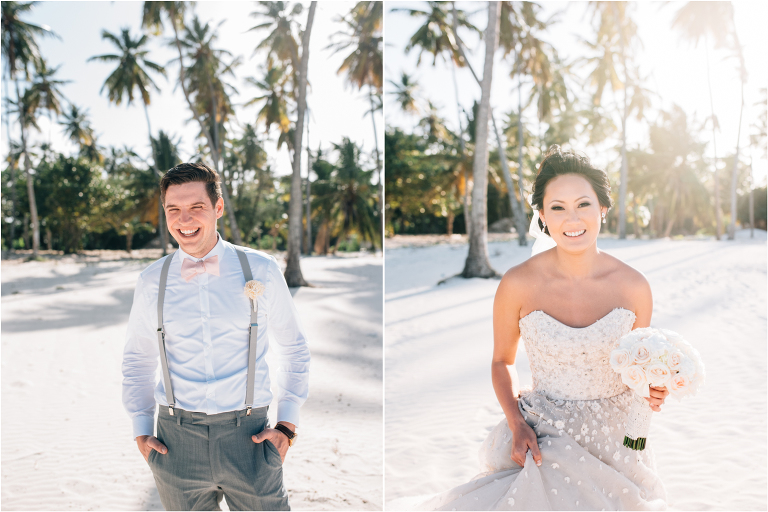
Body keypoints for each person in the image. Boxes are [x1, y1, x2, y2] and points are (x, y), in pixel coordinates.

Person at [419, 146, 668, 510]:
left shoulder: (634, 287)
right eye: (558, 207)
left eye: (583, 204)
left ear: (602, 208)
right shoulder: (517, 284)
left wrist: (653, 388)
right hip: (543, 433)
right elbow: (502, 361)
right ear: (542, 215)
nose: (572, 219)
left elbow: (638, 371)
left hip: (616, 443)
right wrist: (517, 424)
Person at [122, 162, 310, 511]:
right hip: (175, 441)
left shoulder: (261, 269)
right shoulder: (152, 280)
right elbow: (138, 358)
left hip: (250, 435)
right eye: (173, 209)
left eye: (197, 207)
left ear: (218, 208)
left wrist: (287, 424)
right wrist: (140, 427)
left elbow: (294, 348)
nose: (184, 219)